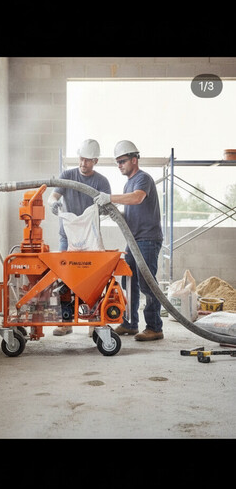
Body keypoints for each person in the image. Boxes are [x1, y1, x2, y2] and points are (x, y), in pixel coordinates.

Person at [94, 140, 164, 341]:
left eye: (122, 161)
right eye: (117, 162)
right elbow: (131, 212)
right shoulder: (128, 183)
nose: (119, 165)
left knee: (147, 284)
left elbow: (137, 198)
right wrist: (112, 212)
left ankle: (154, 327)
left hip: (147, 239)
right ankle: (130, 323)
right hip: (134, 240)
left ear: (134, 160)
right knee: (128, 281)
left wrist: (110, 197)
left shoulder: (143, 179)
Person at [48, 138, 111, 336]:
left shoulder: (101, 182)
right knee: (65, 279)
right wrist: (52, 203)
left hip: (90, 238)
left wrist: (103, 208)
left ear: (95, 161)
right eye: (82, 159)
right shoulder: (67, 176)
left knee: (93, 280)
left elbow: (107, 207)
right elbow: (54, 195)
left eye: (88, 160)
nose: (83, 163)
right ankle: (65, 323)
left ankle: (93, 321)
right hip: (67, 237)